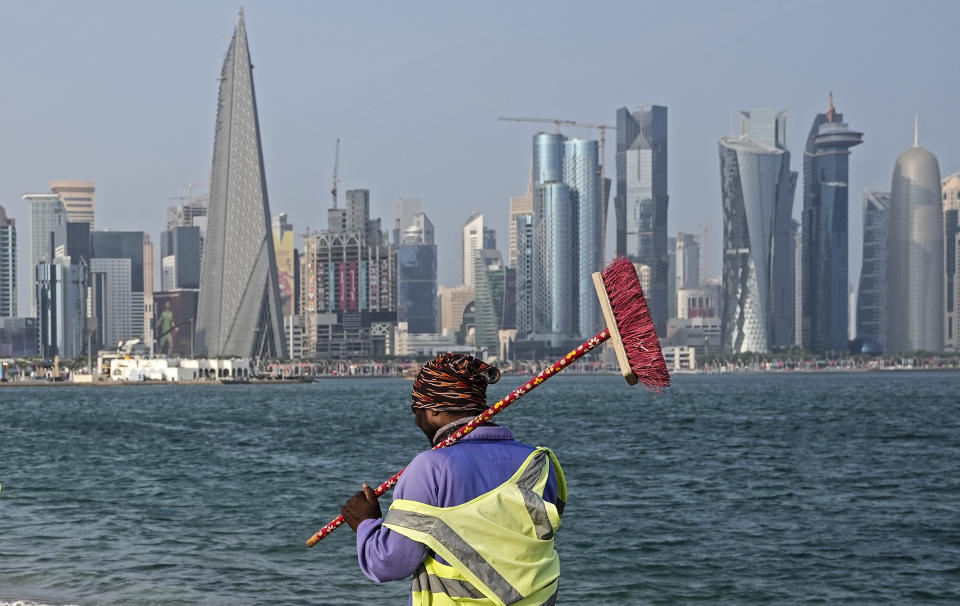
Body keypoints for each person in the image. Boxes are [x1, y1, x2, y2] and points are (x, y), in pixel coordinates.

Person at [340, 353, 566, 606]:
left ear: (434, 409)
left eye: (417, 410)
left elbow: (390, 563)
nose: (417, 420)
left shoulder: (430, 467)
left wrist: (366, 523)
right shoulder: (539, 462)